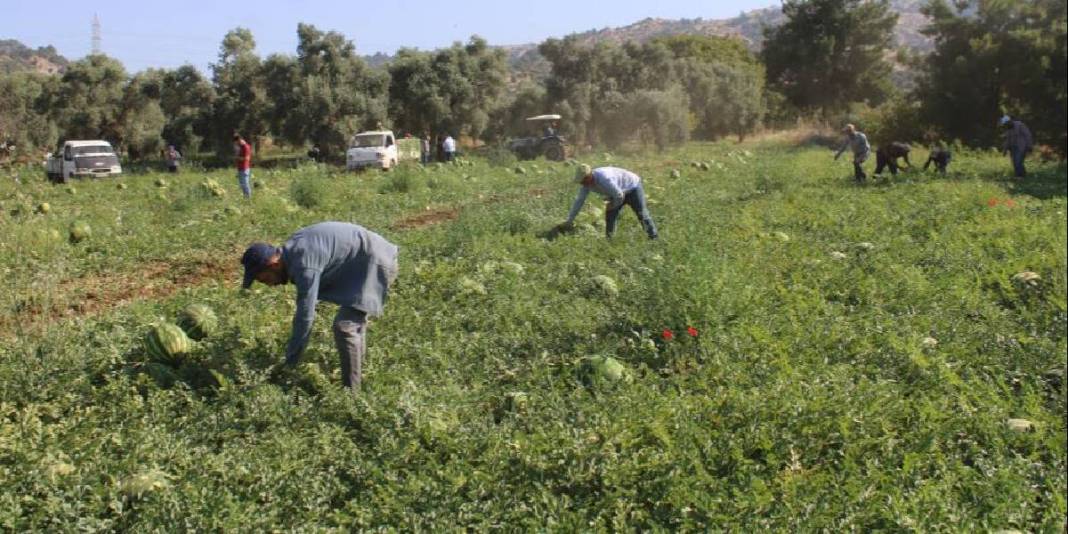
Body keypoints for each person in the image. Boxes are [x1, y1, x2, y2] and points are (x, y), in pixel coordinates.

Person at [241, 221, 400, 390]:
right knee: (354, 324)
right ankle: (360, 378)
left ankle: (352, 396)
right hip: (366, 261)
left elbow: (305, 317)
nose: (269, 285)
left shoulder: (304, 264)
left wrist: (289, 365)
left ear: (274, 264)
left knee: (346, 327)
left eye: (265, 279)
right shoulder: (293, 250)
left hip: (375, 263)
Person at [562, 164, 658, 239]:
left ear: (590, 175)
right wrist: (569, 220)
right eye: (581, 182)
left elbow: (619, 196)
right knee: (610, 215)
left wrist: (613, 205)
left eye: (584, 180)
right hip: (617, 192)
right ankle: (610, 240)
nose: (584, 184)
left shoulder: (604, 179)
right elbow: (579, 201)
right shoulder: (586, 185)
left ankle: (653, 237)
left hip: (633, 187)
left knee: (641, 213)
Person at [233, 133, 253, 198]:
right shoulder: (240, 147)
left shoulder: (246, 147)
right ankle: (245, 197)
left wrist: (237, 157)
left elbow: (247, 158)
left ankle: (248, 198)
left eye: (236, 142)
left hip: (244, 168)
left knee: (245, 184)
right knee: (242, 184)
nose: (236, 144)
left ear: (239, 140)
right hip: (240, 168)